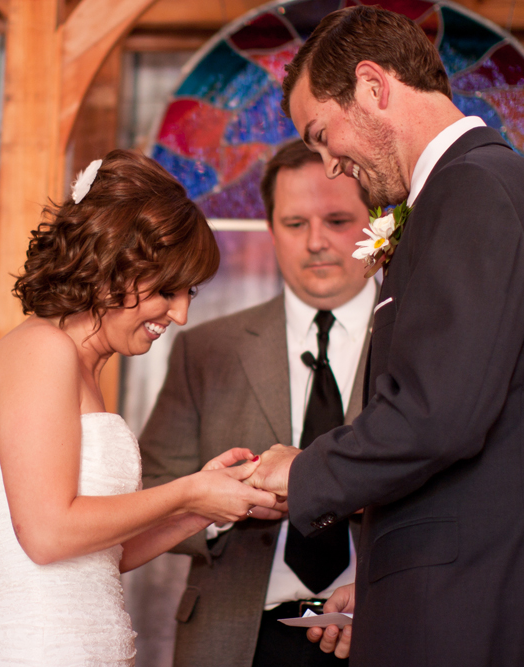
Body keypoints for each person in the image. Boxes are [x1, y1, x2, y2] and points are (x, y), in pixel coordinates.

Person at [244, 6, 524, 666]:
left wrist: (304, 471)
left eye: (323, 134)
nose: (330, 163)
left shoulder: (471, 192)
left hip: (480, 604)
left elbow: (438, 413)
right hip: (474, 588)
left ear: (372, 87)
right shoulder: (487, 188)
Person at [0, 149, 280, 666]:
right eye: (169, 290)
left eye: (190, 292)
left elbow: (103, 552)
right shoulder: (43, 350)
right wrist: (184, 491)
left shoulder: (80, 365)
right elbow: (46, 535)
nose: (179, 314)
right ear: (113, 268)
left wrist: (201, 507)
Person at [139, 138, 375, 667]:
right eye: (295, 224)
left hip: (387, 628)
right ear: (271, 231)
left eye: (337, 220)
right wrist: (219, 507)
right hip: (235, 636)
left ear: (374, 222)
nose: (316, 242)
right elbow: (152, 489)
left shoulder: (421, 340)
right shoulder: (205, 346)